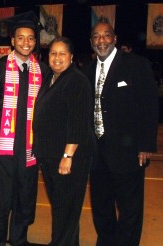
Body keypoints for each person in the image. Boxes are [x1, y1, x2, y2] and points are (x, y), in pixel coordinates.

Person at [82, 21, 158, 246]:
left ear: (114, 39)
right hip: (97, 153)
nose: (101, 40)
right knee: (101, 206)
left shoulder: (137, 65)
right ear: (91, 42)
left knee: (130, 208)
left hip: (129, 151)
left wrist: (145, 144)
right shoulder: (86, 70)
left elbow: (149, 106)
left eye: (106, 36)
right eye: (96, 36)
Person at [0, 12, 50, 246]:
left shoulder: (43, 70)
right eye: (21, 38)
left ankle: (20, 240)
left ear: (35, 41)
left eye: (30, 38)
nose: (26, 42)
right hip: (1, 145)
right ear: (12, 40)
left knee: (25, 195)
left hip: (29, 147)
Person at [32, 36, 93, 245]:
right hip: (50, 154)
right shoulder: (52, 77)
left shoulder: (76, 80)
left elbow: (78, 122)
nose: (57, 58)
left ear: (72, 56)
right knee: (60, 206)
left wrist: (68, 156)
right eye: (53, 53)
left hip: (67, 157)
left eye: (62, 53)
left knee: (67, 207)